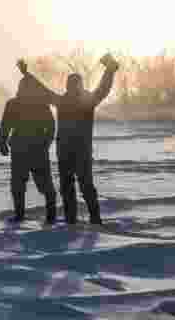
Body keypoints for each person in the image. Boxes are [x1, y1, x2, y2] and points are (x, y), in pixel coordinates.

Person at [16, 54, 119, 224]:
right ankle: (71, 221)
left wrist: (109, 69)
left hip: (81, 152)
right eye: (69, 84)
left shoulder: (87, 101)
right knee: (66, 188)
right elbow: (43, 91)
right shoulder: (62, 101)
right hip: (64, 152)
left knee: (85, 187)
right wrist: (27, 75)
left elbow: (103, 89)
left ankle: (95, 219)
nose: (71, 87)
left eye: (74, 84)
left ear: (80, 85)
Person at [0, 64, 58, 224]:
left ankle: (51, 215)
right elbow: (5, 125)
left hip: (38, 150)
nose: (25, 88)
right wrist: (2, 142)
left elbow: (51, 126)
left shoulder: (41, 104)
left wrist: (45, 143)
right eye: (23, 86)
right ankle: (19, 215)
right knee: (17, 185)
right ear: (19, 87)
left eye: (28, 86)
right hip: (18, 150)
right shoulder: (12, 103)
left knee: (45, 185)